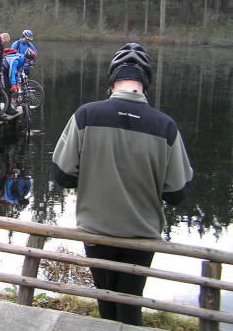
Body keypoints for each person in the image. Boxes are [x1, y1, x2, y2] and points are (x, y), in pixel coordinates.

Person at [52, 42, 193, 326]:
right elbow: (177, 193)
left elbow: (63, 175)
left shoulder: (86, 115)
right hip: (141, 235)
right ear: (145, 83)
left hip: (97, 230)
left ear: (112, 80)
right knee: (131, 303)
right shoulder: (165, 126)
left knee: (106, 298)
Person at [1, 49, 36, 115]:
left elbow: (19, 72)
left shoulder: (22, 61)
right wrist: (13, 84)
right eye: (30, 60)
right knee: (7, 88)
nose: (30, 62)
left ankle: (9, 107)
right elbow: (12, 72)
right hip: (3, 70)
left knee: (10, 90)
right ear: (27, 58)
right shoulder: (16, 60)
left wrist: (18, 83)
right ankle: (7, 109)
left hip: (8, 71)